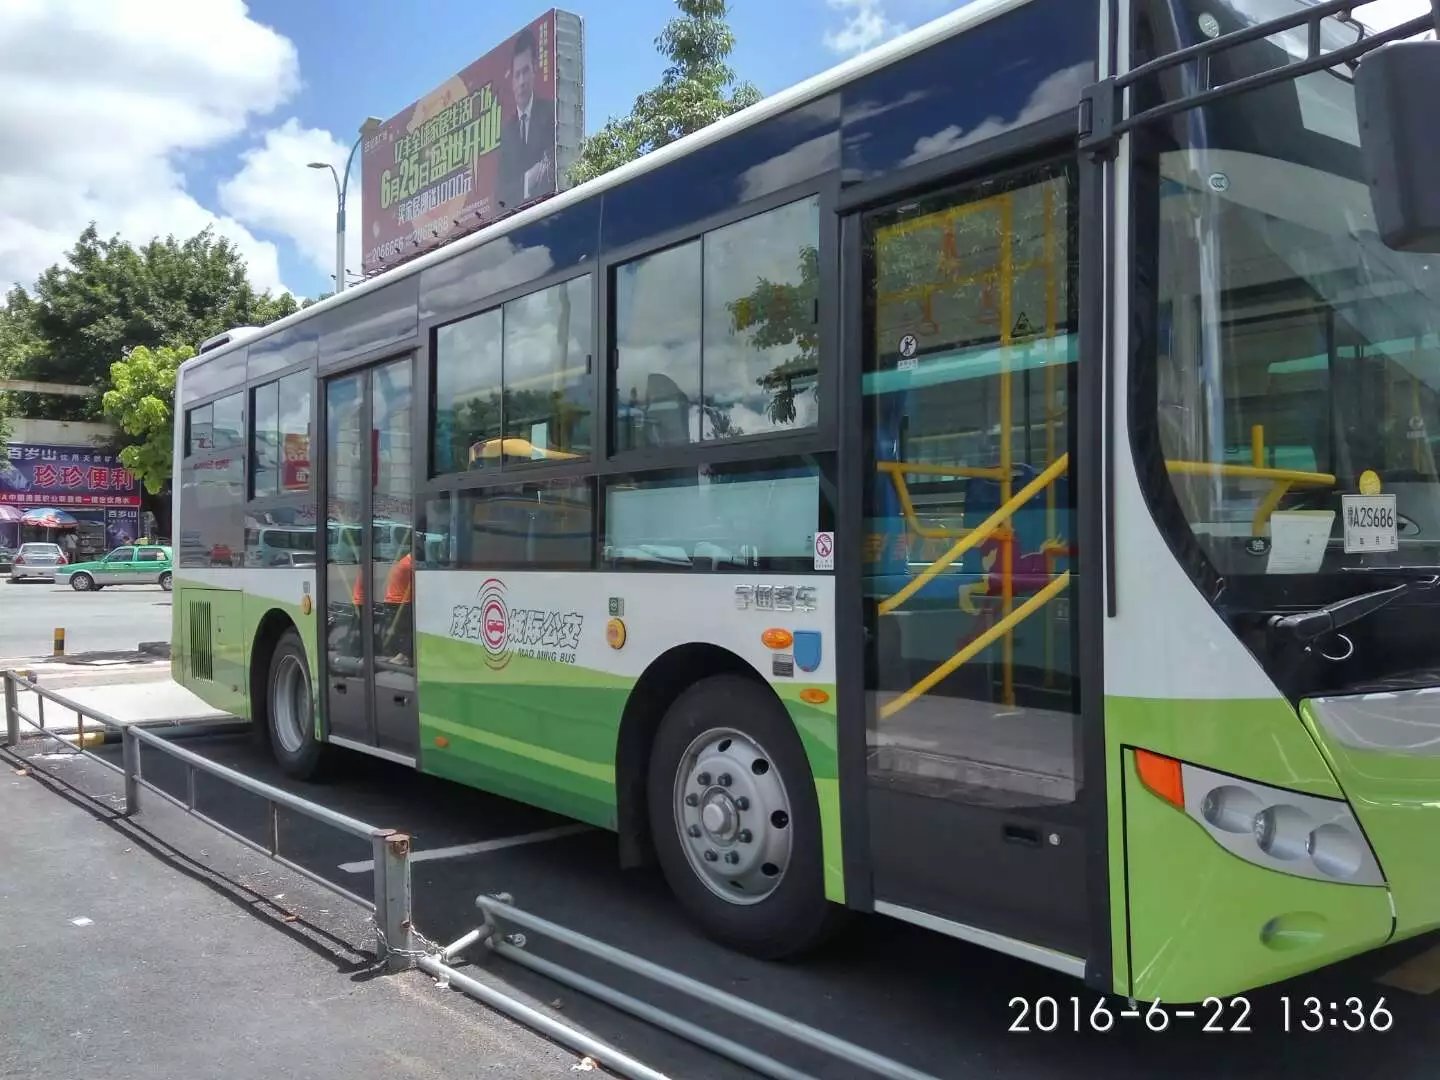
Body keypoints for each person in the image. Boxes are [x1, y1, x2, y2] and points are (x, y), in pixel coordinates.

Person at [496, 26, 555, 214]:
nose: (522, 81)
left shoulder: (552, 112)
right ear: (511, 81)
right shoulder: (505, 133)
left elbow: (555, 166)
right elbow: (499, 196)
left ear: (534, 71)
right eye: (517, 75)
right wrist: (529, 179)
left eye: (526, 71)